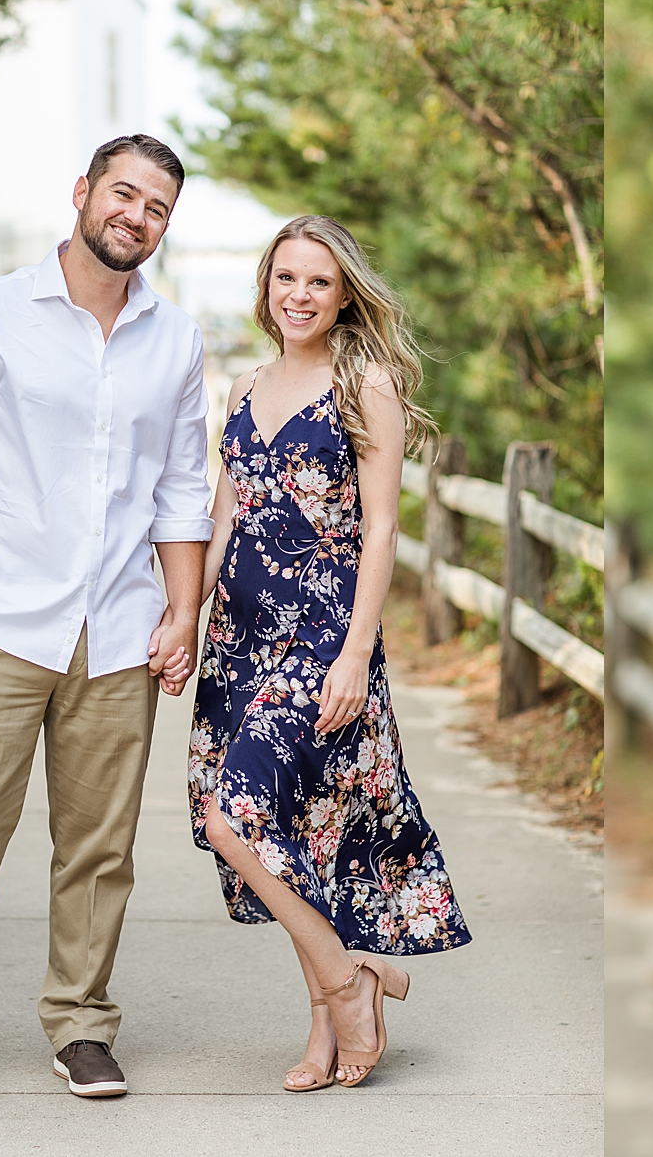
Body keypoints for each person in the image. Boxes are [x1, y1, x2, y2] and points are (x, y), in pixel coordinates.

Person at [0, 134, 210, 1104]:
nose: (136, 216)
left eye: (156, 207)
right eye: (124, 194)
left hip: (119, 629)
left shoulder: (176, 341)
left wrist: (181, 611)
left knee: (100, 845)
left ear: (164, 227)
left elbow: (185, 491)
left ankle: (80, 1021)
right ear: (83, 193)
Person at [188, 214, 470, 1093]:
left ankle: (349, 978)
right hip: (239, 644)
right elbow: (224, 517)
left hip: (321, 637)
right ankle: (328, 1018)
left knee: (234, 816)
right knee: (290, 832)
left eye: (317, 280)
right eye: (285, 279)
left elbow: (383, 531)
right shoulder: (244, 385)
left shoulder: (365, 382)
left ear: (344, 291)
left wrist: (355, 653)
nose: (299, 295)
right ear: (265, 289)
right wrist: (180, 619)